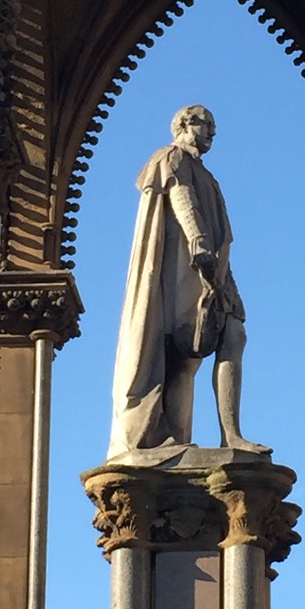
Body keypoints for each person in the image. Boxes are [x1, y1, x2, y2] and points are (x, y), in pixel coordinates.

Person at [107, 105, 270, 459]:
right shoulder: (172, 157)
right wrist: (198, 245)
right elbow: (183, 200)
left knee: (233, 335)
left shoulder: (208, 176)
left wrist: (226, 278)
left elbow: (221, 232)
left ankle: (232, 435)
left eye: (214, 125)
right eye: (205, 123)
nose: (212, 131)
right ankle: (171, 437)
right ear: (183, 125)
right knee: (180, 354)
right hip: (180, 271)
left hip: (213, 270)